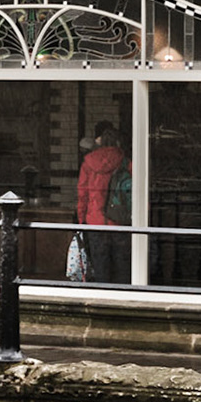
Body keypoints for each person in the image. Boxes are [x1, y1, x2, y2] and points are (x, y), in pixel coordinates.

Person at [75, 121, 128, 284]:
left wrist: (81, 218)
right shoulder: (125, 161)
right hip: (119, 221)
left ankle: (102, 297)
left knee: (100, 266)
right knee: (122, 267)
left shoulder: (88, 162)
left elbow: (82, 193)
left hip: (95, 221)